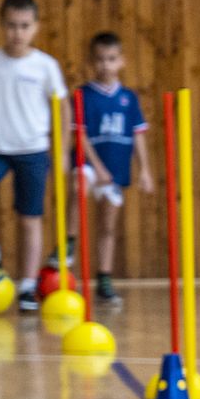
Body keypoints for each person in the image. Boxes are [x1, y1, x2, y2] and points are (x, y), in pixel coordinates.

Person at [0, 0, 68, 312]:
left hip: (33, 150)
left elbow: (62, 109)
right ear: (1, 25)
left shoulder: (46, 66)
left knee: (29, 220)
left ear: (35, 27)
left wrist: (62, 152)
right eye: (11, 26)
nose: (17, 33)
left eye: (24, 26)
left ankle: (26, 285)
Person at [74, 31, 153, 308]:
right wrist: (97, 167)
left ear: (122, 61)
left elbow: (138, 134)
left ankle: (104, 279)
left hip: (116, 169)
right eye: (99, 59)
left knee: (107, 224)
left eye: (111, 59)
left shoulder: (128, 98)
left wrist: (145, 170)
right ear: (91, 61)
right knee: (78, 186)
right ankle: (70, 244)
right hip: (90, 164)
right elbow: (80, 135)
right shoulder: (82, 95)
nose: (105, 65)